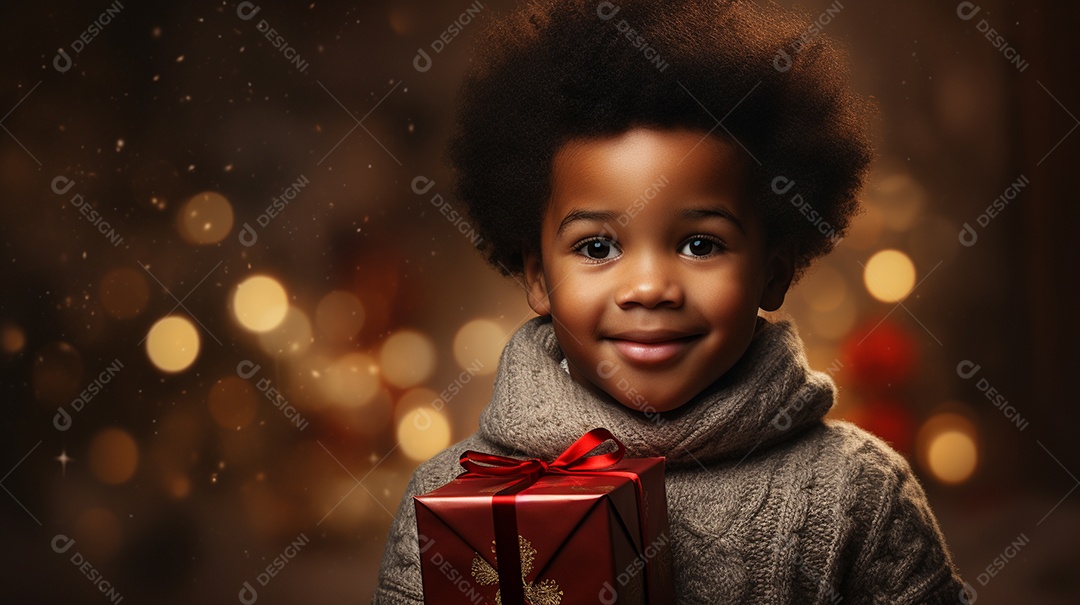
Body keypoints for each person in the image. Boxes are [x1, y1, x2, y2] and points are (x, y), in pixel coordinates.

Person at [375, 0, 970, 602]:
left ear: (773, 271)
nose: (650, 287)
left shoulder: (858, 496)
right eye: (599, 246)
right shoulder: (449, 498)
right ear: (537, 276)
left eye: (699, 243)